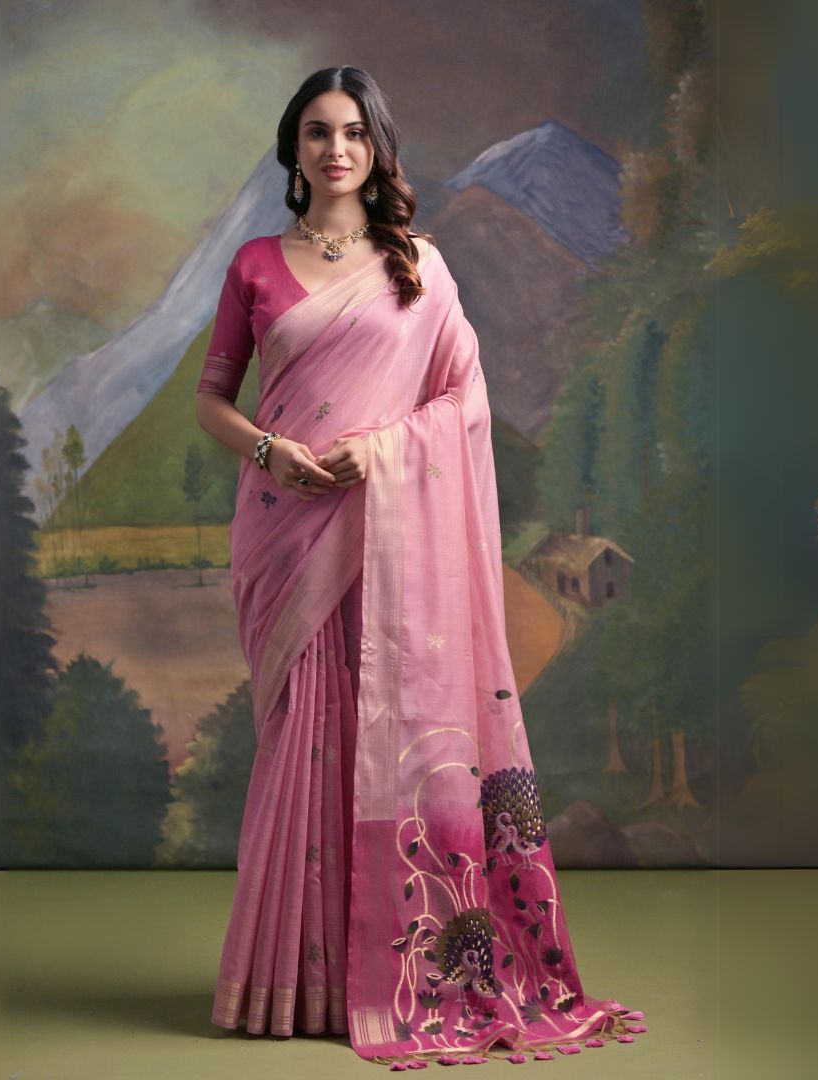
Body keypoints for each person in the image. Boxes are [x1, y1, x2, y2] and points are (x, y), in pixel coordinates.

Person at [195, 65, 645, 1067]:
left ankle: (394, 974)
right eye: (317, 131)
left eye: (353, 131)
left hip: (389, 536)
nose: (336, 148)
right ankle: (289, 983)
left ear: (378, 148)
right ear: (294, 147)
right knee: (301, 744)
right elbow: (214, 400)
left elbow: (465, 406)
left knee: (383, 741)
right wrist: (273, 452)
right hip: (287, 532)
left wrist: (380, 452)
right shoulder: (256, 267)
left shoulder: (418, 269)